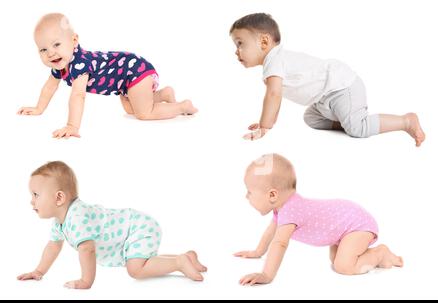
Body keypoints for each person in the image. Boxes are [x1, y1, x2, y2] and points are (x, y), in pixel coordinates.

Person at [230, 13, 425, 146]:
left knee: (358, 129)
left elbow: (273, 95)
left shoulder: (274, 61)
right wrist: (266, 120)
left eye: (240, 43)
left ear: (264, 41)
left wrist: (265, 125)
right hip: (324, 98)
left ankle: (405, 121)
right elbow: (275, 96)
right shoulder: (275, 61)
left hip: (341, 88)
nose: (236, 51)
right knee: (311, 118)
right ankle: (347, 118)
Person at [17, 161, 207, 289]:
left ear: (59, 197)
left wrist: (86, 281)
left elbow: (87, 251)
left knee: (136, 269)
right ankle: (187, 257)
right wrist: (38, 271)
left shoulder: (77, 218)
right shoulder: (60, 222)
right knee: (140, 262)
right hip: (133, 229)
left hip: (137, 228)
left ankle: (178, 263)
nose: (31, 201)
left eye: (36, 195)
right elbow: (53, 246)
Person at [18, 13, 197, 139]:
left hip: (135, 71)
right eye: (43, 49)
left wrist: (72, 126)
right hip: (127, 80)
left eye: (56, 44)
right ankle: (163, 95)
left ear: (74, 41)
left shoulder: (80, 63)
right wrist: (38, 108)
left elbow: (78, 95)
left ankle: (182, 106)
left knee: (143, 113)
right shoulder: (61, 64)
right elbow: (50, 87)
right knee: (130, 109)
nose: (50, 53)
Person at [235, 153, 402, 285]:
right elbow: (270, 233)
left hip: (356, 225)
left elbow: (280, 243)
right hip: (343, 227)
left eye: (250, 192)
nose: (246, 196)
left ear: (272, 194)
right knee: (335, 260)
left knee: (343, 266)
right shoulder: (283, 209)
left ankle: (380, 253)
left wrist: (266, 275)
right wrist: (257, 252)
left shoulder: (291, 210)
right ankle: (373, 257)